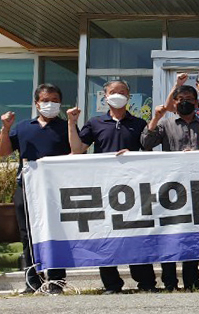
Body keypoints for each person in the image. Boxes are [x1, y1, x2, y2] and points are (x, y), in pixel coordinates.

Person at [68, 80, 157, 294]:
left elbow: (147, 150)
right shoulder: (95, 122)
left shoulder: (138, 122)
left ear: (129, 96)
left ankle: (146, 282)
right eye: (113, 92)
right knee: (106, 235)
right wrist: (71, 123)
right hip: (104, 187)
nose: (118, 95)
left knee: (137, 234)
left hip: (132, 188)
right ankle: (112, 284)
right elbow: (77, 149)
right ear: (105, 96)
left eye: (123, 92)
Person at [0, 84, 71, 294]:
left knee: (57, 232)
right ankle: (33, 281)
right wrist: (5, 128)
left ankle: (56, 280)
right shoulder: (23, 127)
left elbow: (76, 152)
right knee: (27, 235)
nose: (50, 104)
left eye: (55, 100)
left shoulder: (66, 127)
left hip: (56, 190)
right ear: (37, 103)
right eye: (46, 100)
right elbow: (4, 152)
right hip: (27, 188)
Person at [142, 85, 199, 291]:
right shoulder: (165, 124)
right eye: (179, 99)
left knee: (192, 234)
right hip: (171, 186)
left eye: (188, 98)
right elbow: (146, 143)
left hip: (197, 186)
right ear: (174, 103)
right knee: (169, 233)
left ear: (196, 103)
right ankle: (169, 281)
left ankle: (192, 280)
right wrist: (155, 118)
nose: (184, 102)